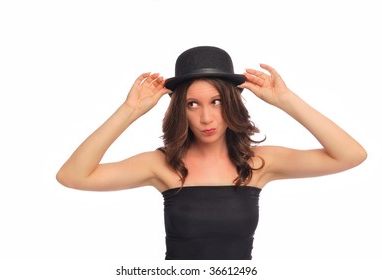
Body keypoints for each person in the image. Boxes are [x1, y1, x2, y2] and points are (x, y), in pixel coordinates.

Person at [56, 46, 367, 260]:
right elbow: (72, 176)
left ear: (231, 103)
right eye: (193, 104)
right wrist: (129, 111)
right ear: (181, 109)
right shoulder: (161, 165)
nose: (206, 118)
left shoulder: (259, 164)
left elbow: (350, 155)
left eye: (216, 101)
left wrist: (285, 99)